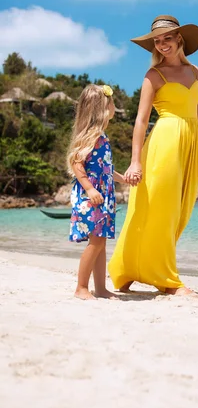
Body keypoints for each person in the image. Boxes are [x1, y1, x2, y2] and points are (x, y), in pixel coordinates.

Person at [108, 14, 198, 296]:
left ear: (180, 39)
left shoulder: (196, 73)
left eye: (167, 38)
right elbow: (141, 121)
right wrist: (135, 160)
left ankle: (130, 268)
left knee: (180, 212)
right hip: (165, 143)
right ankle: (166, 280)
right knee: (158, 209)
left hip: (190, 146)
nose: (162, 44)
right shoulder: (154, 75)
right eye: (157, 40)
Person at [67, 84, 125, 300]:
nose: (114, 106)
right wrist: (90, 189)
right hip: (91, 196)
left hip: (103, 196)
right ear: (102, 108)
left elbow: (105, 169)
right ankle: (81, 287)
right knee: (96, 242)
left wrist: (123, 179)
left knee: (101, 241)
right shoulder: (91, 136)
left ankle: (100, 288)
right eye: (112, 102)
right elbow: (76, 162)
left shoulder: (103, 136)